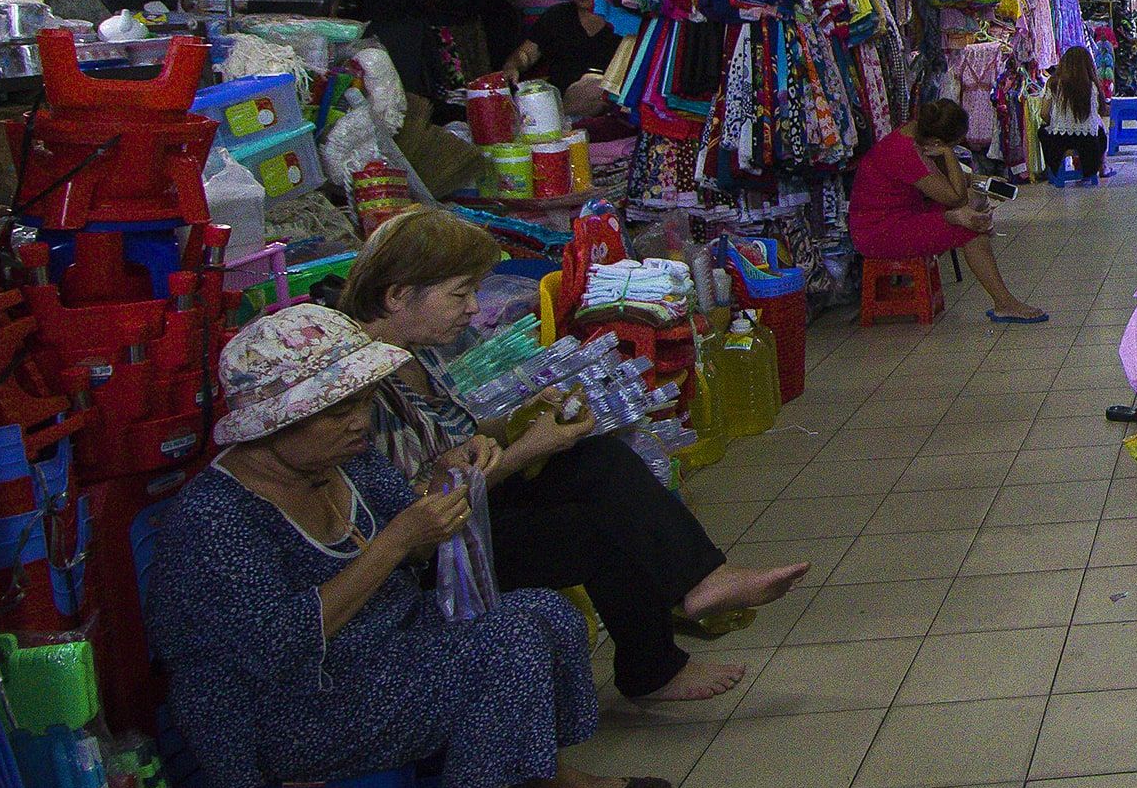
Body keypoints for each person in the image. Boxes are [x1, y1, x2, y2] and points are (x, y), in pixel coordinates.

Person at [144, 307, 671, 788]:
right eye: (337, 410)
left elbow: (419, 535)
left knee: (545, 614)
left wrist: (452, 479)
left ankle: (539, 778)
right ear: (273, 424)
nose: (359, 421)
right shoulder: (217, 520)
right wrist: (395, 539)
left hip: (380, 651)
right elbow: (279, 647)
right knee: (508, 648)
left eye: (362, 401)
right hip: (287, 711)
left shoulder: (349, 463)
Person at [344, 209, 809, 704]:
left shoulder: (417, 351)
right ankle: (654, 665)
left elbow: (453, 441)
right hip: (428, 550)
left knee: (599, 461)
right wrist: (525, 449)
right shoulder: (362, 389)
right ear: (397, 295)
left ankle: (702, 582)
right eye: (460, 294)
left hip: (467, 507)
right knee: (597, 530)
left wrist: (522, 417)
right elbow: (420, 511)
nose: (473, 308)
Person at [853, 98, 1049, 323]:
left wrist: (979, 182)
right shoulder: (906, 153)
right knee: (970, 231)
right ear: (939, 141)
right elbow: (956, 196)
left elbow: (939, 181)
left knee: (966, 214)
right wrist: (948, 153)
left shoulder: (913, 135)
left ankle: (1003, 299)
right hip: (879, 233)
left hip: (896, 218)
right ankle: (1004, 303)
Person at [507, 0, 620, 121]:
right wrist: (513, 66)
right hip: (561, 108)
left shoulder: (622, 20)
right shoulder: (556, 16)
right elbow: (526, 53)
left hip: (609, 112)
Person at [1040, 44, 1107, 185]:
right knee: (1101, 131)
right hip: (1089, 143)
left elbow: (1044, 114)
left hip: (1058, 142)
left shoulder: (1053, 83)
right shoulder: (1093, 86)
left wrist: (1057, 122)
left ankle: (1053, 170)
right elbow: (1100, 112)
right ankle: (1097, 168)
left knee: (1042, 131)